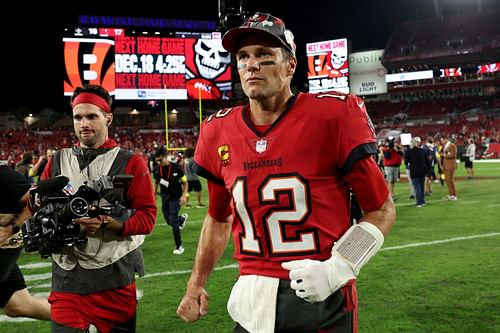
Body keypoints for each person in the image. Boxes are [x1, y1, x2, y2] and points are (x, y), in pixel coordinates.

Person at [176, 12, 396, 333]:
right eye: (243, 57)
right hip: (251, 297)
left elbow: (381, 210)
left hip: (322, 295)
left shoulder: (333, 115)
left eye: (264, 55)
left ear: (290, 65)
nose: (252, 65)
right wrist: (195, 284)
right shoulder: (217, 130)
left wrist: (339, 266)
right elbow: (219, 217)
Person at [41, 84, 157, 332]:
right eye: (78, 117)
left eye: (92, 116)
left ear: (108, 118)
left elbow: (147, 218)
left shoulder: (131, 162)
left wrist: (109, 224)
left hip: (114, 279)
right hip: (66, 278)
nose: (84, 123)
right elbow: (42, 211)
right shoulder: (56, 161)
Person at [0, 164, 51, 320]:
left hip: (4, 246)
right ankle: (83, 318)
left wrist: (15, 227)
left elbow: (38, 199)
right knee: (19, 305)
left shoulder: (3, 176)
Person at [153, 149, 189, 255]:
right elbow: (156, 182)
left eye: (160, 160)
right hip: (165, 197)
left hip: (175, 197)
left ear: (165, 156)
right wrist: (154, 195)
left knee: (173, 221)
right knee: (169, 221)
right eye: (157, 161)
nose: (159, 162)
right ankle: (181, 219)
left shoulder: (176, 168)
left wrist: (184, 196)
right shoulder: (156, 170)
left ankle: (179, 246)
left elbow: (185, 182)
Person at [404, 137, 428, 207]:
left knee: (417, 187)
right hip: (423, 170)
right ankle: (423, 201)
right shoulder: (422, 150)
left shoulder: (408, 152)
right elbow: (426, 160)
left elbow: (406, 162)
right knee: (422, 186)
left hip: (414, 171)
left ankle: (419, 202)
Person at [382, 136, 403, 200]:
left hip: (395, 166)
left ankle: (392, 193)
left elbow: (401, 153)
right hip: (389, 166)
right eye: (392, 141)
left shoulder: (396, 147)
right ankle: (390, 195)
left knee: (393, 181)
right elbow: (387, 156)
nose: (393, 142)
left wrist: (396, 149)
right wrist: (389, 148)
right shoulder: (385, 148)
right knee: (390, 181)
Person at [439, 135, 458, 200]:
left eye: (442, 140)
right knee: (447, 180)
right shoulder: (444, 146)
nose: (441, 142)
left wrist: (444, 155)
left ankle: (454, 195)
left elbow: (453, 155)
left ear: (446, 139)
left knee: (450, 180)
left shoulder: (452, 146)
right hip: (445, 165)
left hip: (450, 165)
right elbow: (441, 153)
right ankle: (450, 194)